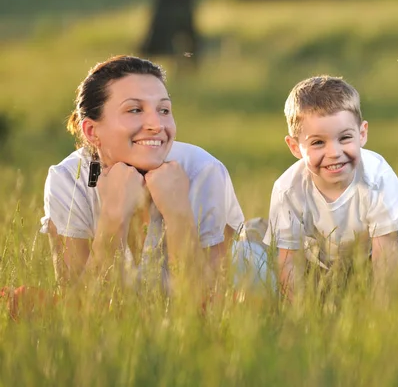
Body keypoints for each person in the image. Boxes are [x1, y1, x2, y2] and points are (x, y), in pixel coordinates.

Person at [39, 55, 244, 294]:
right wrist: (113, 215)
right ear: (92, 131)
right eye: (135, 110)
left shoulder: (203, 172)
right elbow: (77, 311)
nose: (156, 124)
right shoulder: (67, 181)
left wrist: (178, 213)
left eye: (164, 110)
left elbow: (209, 309)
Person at [263, 75, 398, 298]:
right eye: (318, 142)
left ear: (362, 134)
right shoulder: (288, 189)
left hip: (378, 261)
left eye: (345, 138)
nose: (334, 153)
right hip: (323, 269)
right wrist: (299, 316)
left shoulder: (377, 178)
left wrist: (379, 318)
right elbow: (290, 262)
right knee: (255, 254)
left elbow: (385, 255)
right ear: (295, 147)